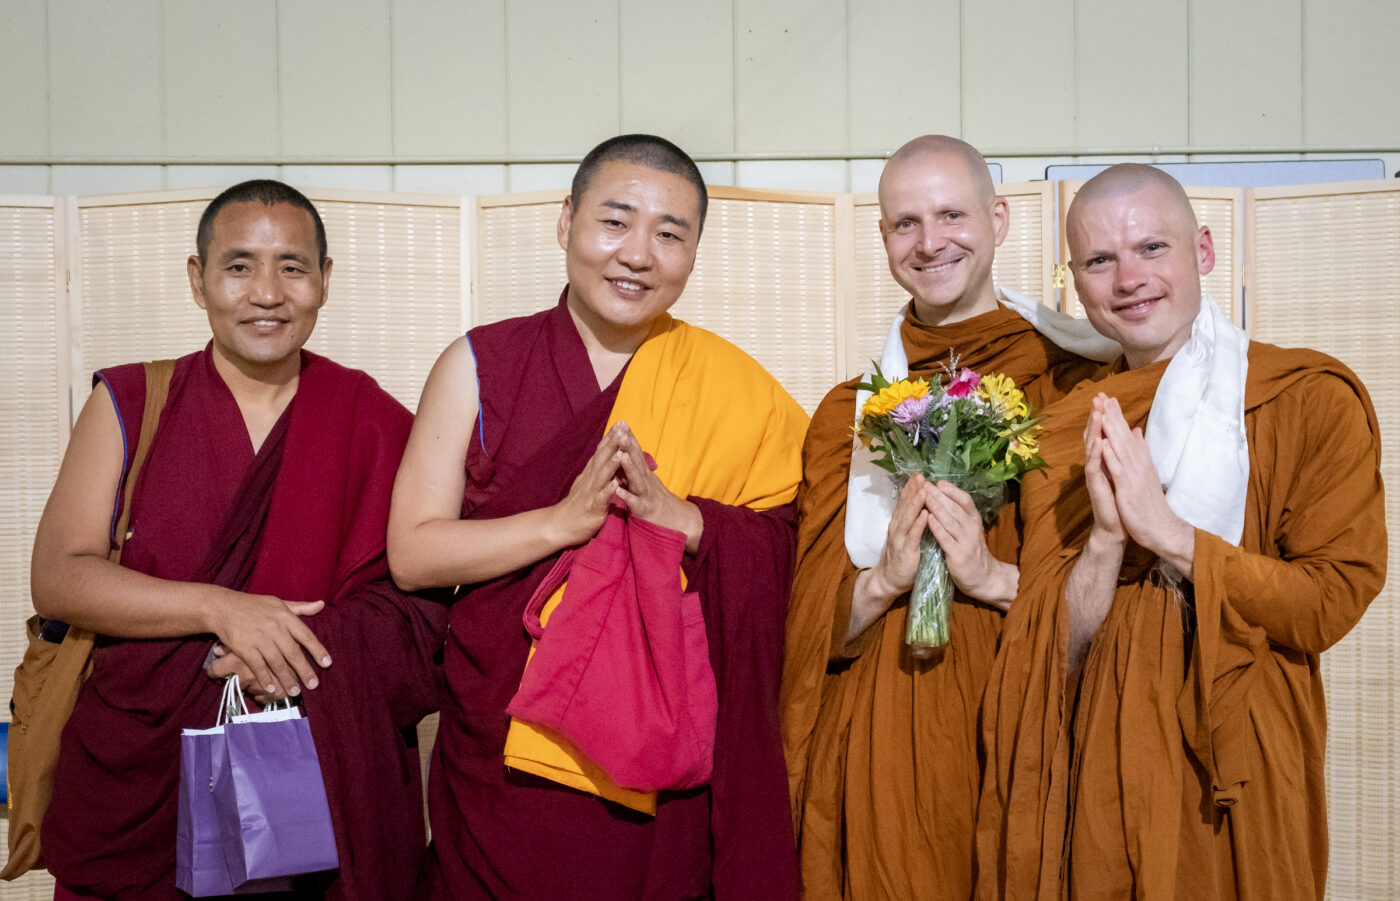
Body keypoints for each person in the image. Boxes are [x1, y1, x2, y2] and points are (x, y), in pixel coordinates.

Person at [389, 134, 809, 900]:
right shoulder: (478, 364)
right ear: (566, 223)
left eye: (670, 233)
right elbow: (413, 553)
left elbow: (797, 556)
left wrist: (694, 524)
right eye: (615, 221)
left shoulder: (737, 391)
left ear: (694, 252)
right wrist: (562, 520)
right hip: (503, 758)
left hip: (659, 764)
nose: (638, 254)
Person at [975, 164, 1386, 900]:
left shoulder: (1304, 399)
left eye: (1152, 248)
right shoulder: (1067, 431)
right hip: (1096, 765)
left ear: (1203, 250)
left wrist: (1170, 535)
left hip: (1238, 767)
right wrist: (1105, 538)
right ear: (1075, 281)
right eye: (1101, 260)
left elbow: (1328, 602)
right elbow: (1051, 643)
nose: (1128, 278)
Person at [30, 180, 446, 901]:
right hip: (139, 776)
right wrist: (225, 609)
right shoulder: (130, 402)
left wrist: (302, 653)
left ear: (324, 282)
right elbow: (61, 576)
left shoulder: (371, 420)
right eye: (238, 266)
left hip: (307, 783)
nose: (266, 293)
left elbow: (423, 613)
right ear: (199, 281)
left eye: (292, 266)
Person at [780, 135, 1115, 900]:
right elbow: (808, 624)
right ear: (883, 237)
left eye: (952, 214)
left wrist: (995, 579)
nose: (931, 242)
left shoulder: (1076, 381)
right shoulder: (852, 412)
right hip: (886, 731)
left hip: (1033, 717)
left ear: (999, 219)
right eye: (905, 223)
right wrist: (886, 579)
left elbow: (1128, 599)